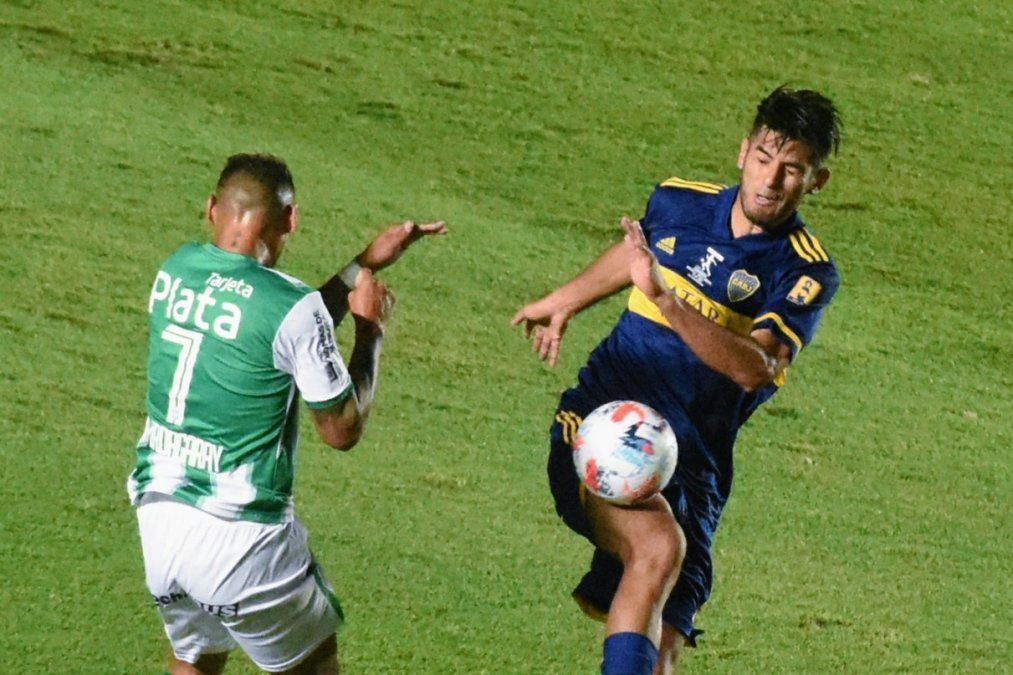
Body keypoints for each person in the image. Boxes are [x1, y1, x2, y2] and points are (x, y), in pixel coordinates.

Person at [513, 87, 842, 674]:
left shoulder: (804, 270)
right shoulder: (677, 200)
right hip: (605, 426)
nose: (770, 180)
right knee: (657, 546)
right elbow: (636, 255)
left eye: (791, 169)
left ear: (815, 181)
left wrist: (666, 298)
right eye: (764, 158)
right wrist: (564, 300)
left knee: (663, 642)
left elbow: (755, 368)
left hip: (695, 466)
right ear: (743, 153)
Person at [128, 153, 446, 675]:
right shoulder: (290, 305)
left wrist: (363, 263)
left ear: (211, 208)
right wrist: (371, 331)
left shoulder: (176, 269)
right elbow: (340, 428)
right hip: (240, 537)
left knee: (195, 657)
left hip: (162, 520)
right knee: (313, 664)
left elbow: (272, 328)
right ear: (291, 219)